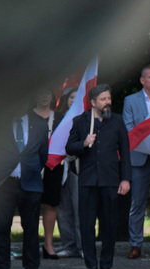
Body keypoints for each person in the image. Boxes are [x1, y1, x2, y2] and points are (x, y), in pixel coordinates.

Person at [66, 84, 132, 269]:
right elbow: (69, 147)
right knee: (87, 224)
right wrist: (83, 143)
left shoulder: (117, 121)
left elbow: (126, 153)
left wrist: (126, 179)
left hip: (111, 180)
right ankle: (91, 265)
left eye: (109, 98)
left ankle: (106, 264)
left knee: (110, 224)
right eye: (103, 99)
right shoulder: (80, 121)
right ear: (93, 102)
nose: (108, 102)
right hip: (87, 181)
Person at [0, 102, 49, 269]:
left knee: (31, 230)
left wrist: (29, 171)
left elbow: (43, 156)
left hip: (30, 184)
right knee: (1, 229)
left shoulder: (39, 124)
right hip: (4, 184)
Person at [123, 64, 150, 259]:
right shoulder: (130, 101)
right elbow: (129, 129)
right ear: (142, 80)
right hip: (139, 158)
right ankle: (135, 244)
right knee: (137, 203)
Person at [32, 89, 61, 260]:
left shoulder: (60, 118)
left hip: (53, 167)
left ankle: (48, 244)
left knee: (51, 205)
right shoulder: (27, 116)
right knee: (31, 205)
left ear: (52, 96)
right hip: (32, 167)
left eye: (47, 93)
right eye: (41, 92)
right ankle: (31, 243)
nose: (44, 95)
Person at [55, 89, 82, 259]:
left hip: (78, 167)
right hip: (58, 166)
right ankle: (69, 245)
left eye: (76, 97)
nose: (73, 100)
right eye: (71, 97)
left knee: (79, 207)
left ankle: (82, 246)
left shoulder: (85, 118)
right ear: (66, 99)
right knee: (63, 208)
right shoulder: (58, 119)